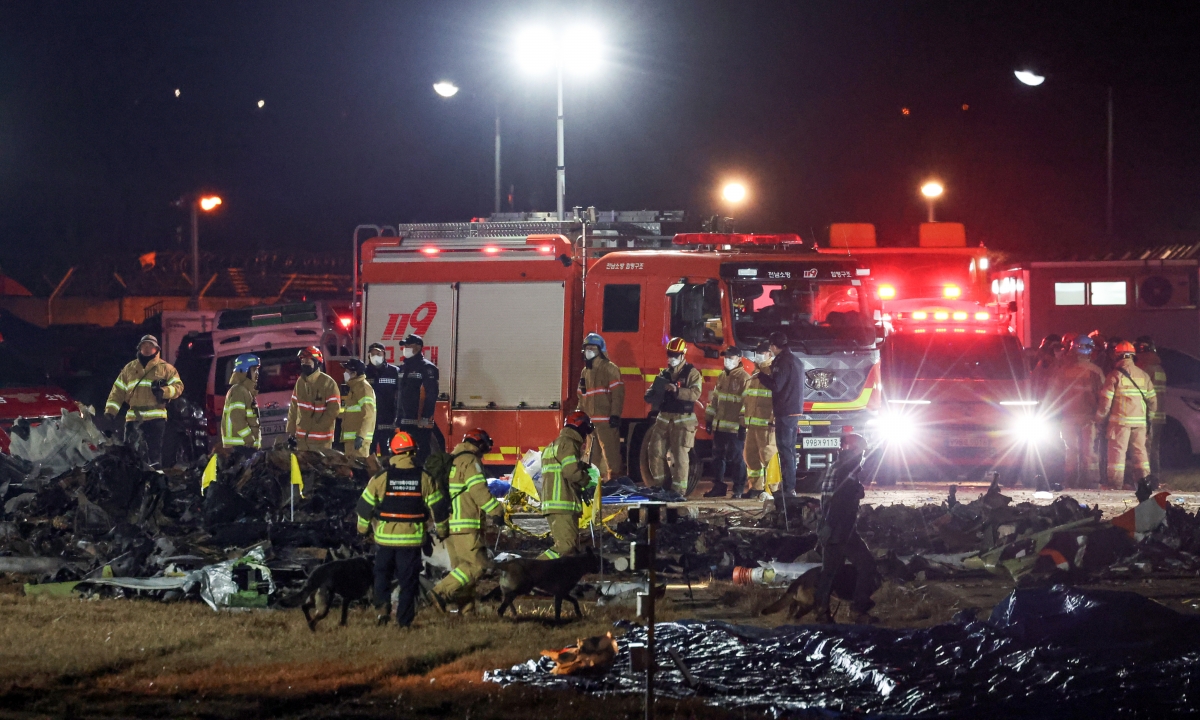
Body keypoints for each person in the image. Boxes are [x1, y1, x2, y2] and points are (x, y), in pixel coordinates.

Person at [356, 430, 448, 628]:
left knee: (382, 576)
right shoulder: (424, 478)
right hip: (411, 541)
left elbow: (364, 507)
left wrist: (362, 530)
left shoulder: (381, 478)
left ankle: (382, 611)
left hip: (385, 541)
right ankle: (404, 622)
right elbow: (438, 509)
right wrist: (442, 531)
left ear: (393, 452)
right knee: (408, 582)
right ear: (413, 452)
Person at [429, 428, 503, 610]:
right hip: (467, 524)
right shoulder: (470, 461)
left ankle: (466, 610)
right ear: (479, 444)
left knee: (462, 570)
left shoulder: (452, 460)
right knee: (477, 566)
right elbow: (479, 492)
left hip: (450, 524)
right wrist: (497, 511)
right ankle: (439, 592)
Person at [813, 434, 879, 624]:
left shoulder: (835, 467)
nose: (863, 455)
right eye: (862, 451)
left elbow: (832, 495)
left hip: (832, 527)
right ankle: (858, 610)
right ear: (855, 449)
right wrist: (833, 527)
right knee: (866, 565)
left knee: (829, 572)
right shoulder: (848, 467)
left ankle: (821, 612)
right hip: (841, 529)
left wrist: (825, 526)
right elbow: (839, 499)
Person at [104, 334, 184, 467]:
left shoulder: (166, 368)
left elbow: (179, 386)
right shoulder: (129, 368)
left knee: (154, 455)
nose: (147, 348)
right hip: (133, 418)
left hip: (156, 418)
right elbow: (118, 390)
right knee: (130, 454)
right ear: (140, 348)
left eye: (150, 346)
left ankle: (155, 483)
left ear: (156, 349)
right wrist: (110, 411)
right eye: (144, 345)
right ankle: (133, 483)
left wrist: (164, 392)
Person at [1095, 341, 1157, 489]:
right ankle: (1144, 484)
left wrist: (1100, 419)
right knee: (1140, 454)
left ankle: (1115, 485)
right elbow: (1153, 401)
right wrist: (1149, 419)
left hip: (1119, 423)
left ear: (1118, 356)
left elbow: (1105, 402)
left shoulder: (1114, 375)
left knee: (1117, 455)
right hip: (1140, 423)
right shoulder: (1143, 375)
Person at [645, 337, 703, 495]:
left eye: (675, 355)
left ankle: (678, 490)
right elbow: (652, 391)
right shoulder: (664, 373)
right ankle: (660, 485)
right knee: (655, 451)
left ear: (683, 355)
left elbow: (695, 393)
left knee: (679, 457)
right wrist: (651, 394)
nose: (671, 358)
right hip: (663, 420)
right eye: (669, 354)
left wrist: (677, 390)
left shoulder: (692, 373)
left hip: (683, 422)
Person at [1047, 336, 1104, 488]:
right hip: (1089, 417)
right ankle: (1090, 483)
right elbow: (1103, 397)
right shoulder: (1096, 371)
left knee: (1071, 450)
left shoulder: (1063, 371)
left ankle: (1071, 482)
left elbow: (1054, 395)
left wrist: (1054, 415)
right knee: (1089, 451)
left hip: (1068, 417)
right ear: (1090, 351)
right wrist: (1101, 416)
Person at [539, 411, 598, 559]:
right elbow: (571, 472)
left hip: (556, 503)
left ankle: (553, 578)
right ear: (580, 426)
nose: (586, 435)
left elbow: (563, 471)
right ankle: (530, 571)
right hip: (562, 503)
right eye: (586, 430)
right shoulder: (568, 444)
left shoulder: (556, 444)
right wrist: (586, 482)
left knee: (569, 547)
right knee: (565, 547)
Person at [756, 331, 803, 503]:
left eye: (771, 347)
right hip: (793, 410)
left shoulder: (782, 362)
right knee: (788, 451)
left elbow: (776, 385)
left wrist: (761, 375)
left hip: (785, 412)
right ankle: (789, 487)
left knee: (785, 451)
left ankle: (788, 489)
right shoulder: (796, 360)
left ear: (774, 347)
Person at [577, 333, 625, 480]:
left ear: (600, 350)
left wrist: (615, 415)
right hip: (591, 423)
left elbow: (617, 395)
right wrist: (579, 416)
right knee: (592, 458)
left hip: (606, 422)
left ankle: (615, 483)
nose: (589, 351)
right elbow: (581, 396)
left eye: (592, 348)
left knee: (611, 456)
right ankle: (595, 485)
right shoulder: (585, 372)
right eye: (587, 348)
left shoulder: (609, 369)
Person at [704, 346, 750, 498]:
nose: (727, 360)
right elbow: (715, 401)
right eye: (726, 357)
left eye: (731, 357)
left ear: (739, 359)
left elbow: (746, 404)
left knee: (737, 459)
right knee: (717, 458)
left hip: (734, 428)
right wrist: (709, 420)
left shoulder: (744, 378)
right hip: (720, 426)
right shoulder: (722, 376)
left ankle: (738, 489)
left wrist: (743, 426)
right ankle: (718, 486)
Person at [396, 334, 443, 465]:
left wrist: (426, 417)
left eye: (408, 345)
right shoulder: (402, 368)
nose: (405, 348)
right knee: (406, 453)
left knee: (422, 452)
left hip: (419, 421)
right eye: (404, 346)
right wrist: (397, 418)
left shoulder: (427, 368)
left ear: (418, 347)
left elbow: (431, 394)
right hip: (405, 421)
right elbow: (399, 395)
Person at [285, 346, 341, 451]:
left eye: (307, 360)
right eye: (302, 360)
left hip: (321, 441)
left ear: (316, 361)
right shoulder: (300, 382)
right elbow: (293, 408)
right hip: (302, 441)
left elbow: (333, 410)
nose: (304, 363)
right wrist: (291, 432)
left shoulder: (328, 383)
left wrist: (317, 427)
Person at [740, 341, 777, 499]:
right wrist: (743, 417)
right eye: (757, 353)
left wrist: (773, 420)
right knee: (750, 457)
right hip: (752, 425)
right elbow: (748, 399)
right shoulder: (755, 374)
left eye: (762, 353)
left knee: (769, 457)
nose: (759, 355)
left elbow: (778, 399)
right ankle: (756, 487)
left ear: (770, 354)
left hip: (766, 426)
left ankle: (773, 490)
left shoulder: (773, 373)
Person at [1135, 336, 1167, 475]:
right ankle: (1155, 479)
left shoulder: (1146, 369)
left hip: (1148, 415)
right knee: (1154, 449)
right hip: (1159, 416)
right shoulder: (1159, 368)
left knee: (1145, 449)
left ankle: (1146, 479)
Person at [220, 353, 261, 460]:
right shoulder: (239, 391)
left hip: (244, 445)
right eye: (254, 370)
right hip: (241, 446)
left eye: (257, 370)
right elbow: (237, 418)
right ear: (244, 371)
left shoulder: (245, 390)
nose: (257, 374)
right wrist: (249, 438)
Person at [365, 342, 402, 456]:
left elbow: (400, 395)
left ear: (384, 355)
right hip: (370, 419)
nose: (376, 356)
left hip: (388, 418)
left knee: (387, 452)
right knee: (370, 451)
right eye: (373, 354)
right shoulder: (364, 372)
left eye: (379, 353)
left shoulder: (394, 372)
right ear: (369, 356)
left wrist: (397, 416)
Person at [340, 358, 377, 459]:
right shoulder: (355, 387)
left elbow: (369, 414)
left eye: (347, 371)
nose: (344, 373)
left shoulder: (363, 388)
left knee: (359, 470)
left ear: (354, 373)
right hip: (352, 440)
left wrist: (361, 436)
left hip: (358, 441)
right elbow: (352, 412)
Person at [1031, 334, 1064, 401]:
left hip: (1057, 399)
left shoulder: (1064, 362)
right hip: (1042, 399)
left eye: (1057, 347)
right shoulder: (1040, 362)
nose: (1054, 350)